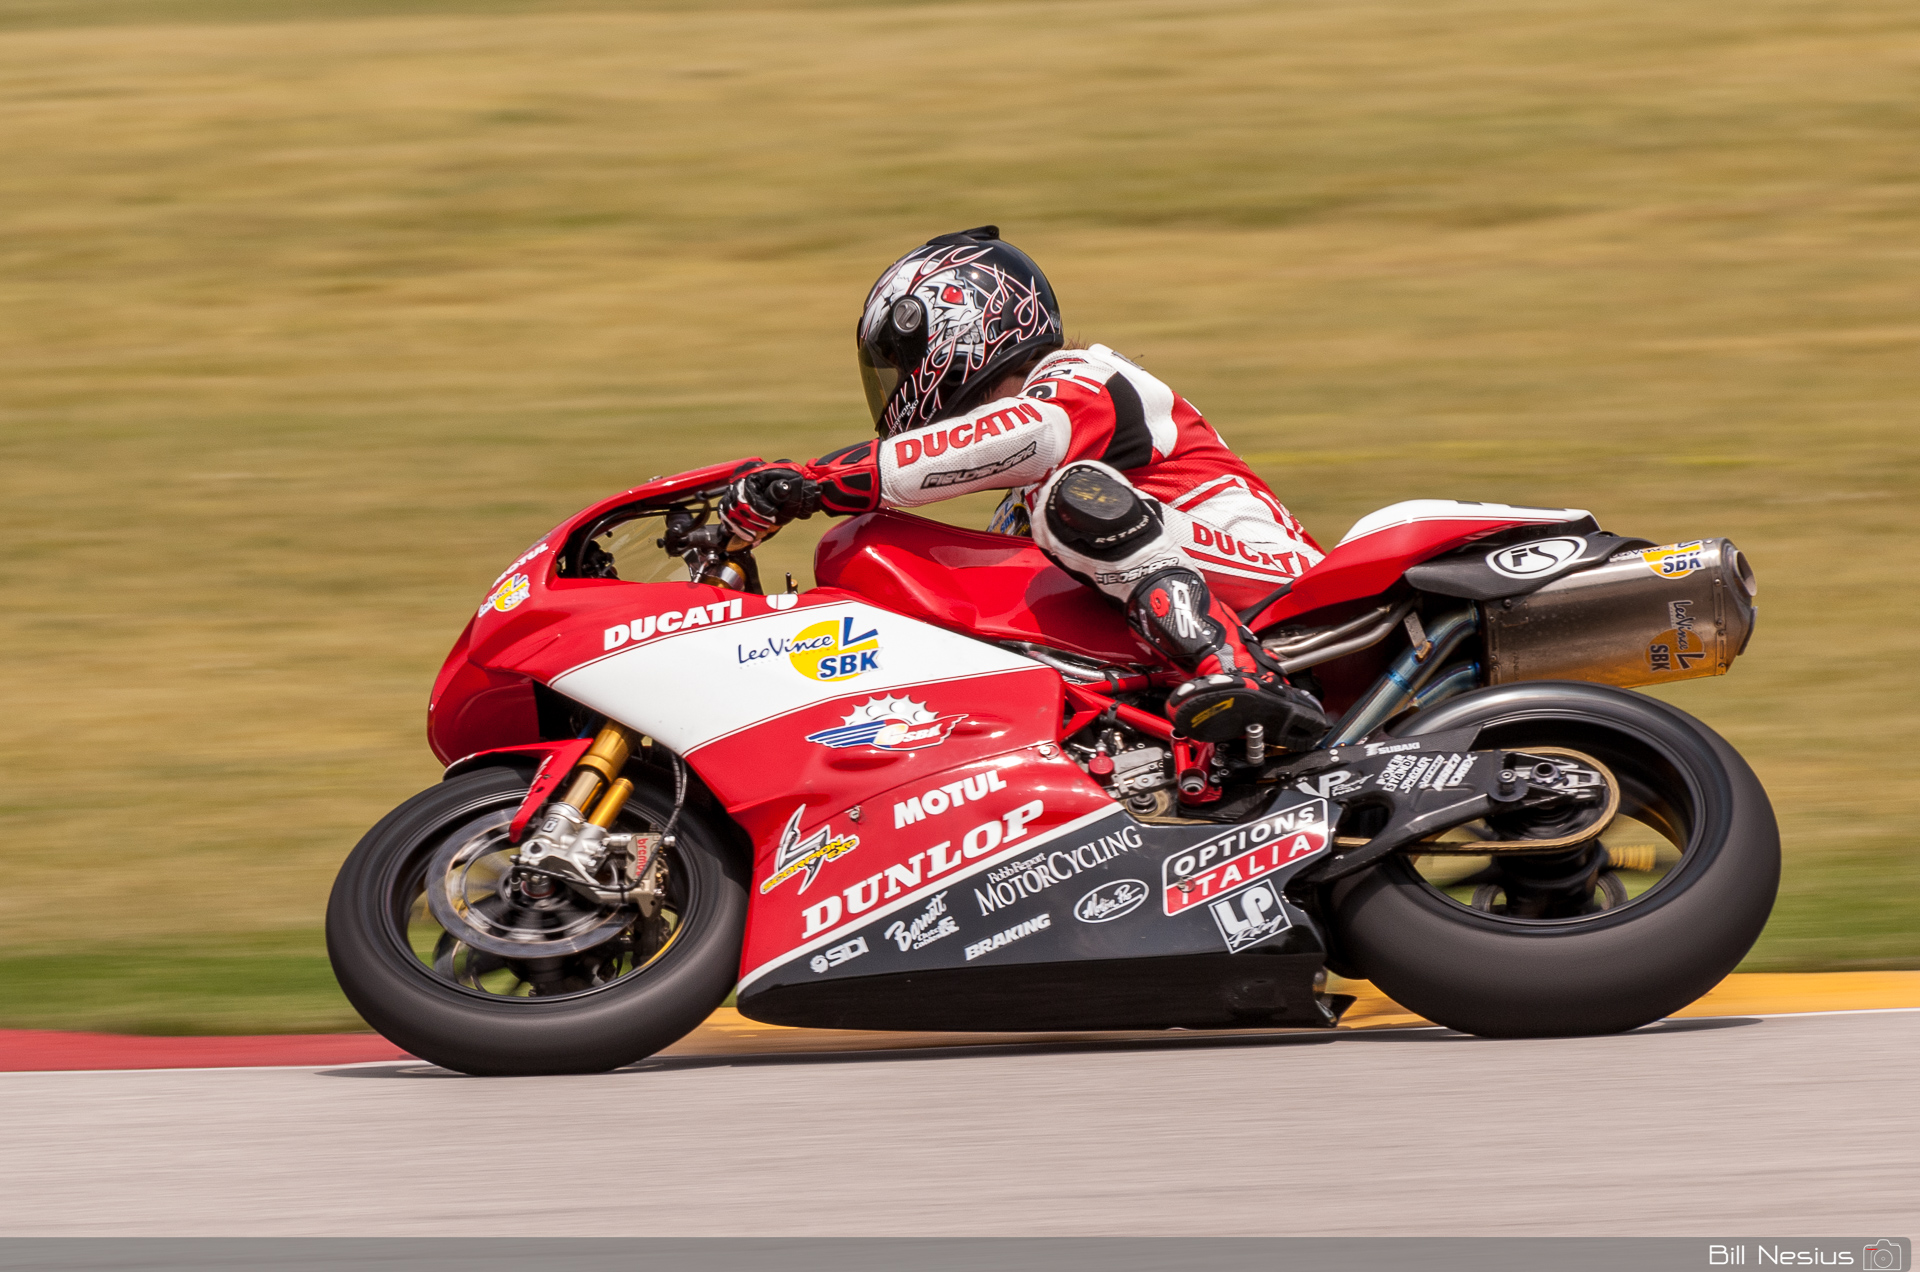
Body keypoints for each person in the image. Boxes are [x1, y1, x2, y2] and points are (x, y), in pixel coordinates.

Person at [717, 226, 1330, 749]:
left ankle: (1238, 670)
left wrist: (816, 483)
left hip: (1286, 585)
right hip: (1202, 589)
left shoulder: (1081, 378)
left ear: (959, 329)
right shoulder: (1019, 503)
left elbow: (1007, 438)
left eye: (899, 363)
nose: (893, 388)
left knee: (1074, 499)